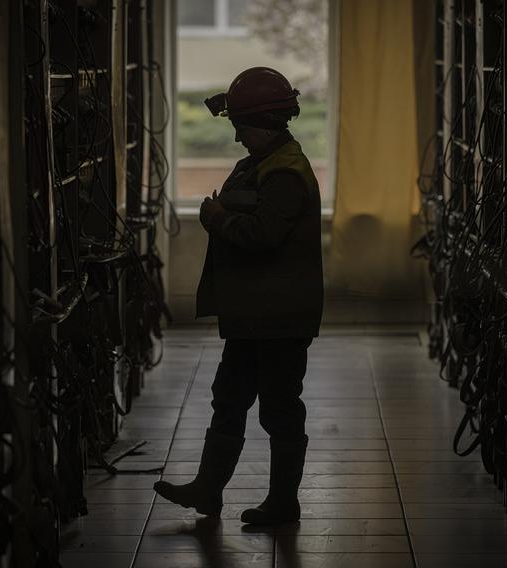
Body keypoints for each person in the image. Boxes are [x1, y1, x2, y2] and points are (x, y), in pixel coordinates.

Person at [153, 67, 324, 525]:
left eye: (240, 127)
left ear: (263, 123)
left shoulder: (285, 173)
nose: (236, 138)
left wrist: (216, 219)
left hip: (279, 317)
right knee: (229, 397)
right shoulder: (261, 163)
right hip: (255, 312)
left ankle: (283, 503)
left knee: (280, 407)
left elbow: (264, 235)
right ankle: (208, 490)